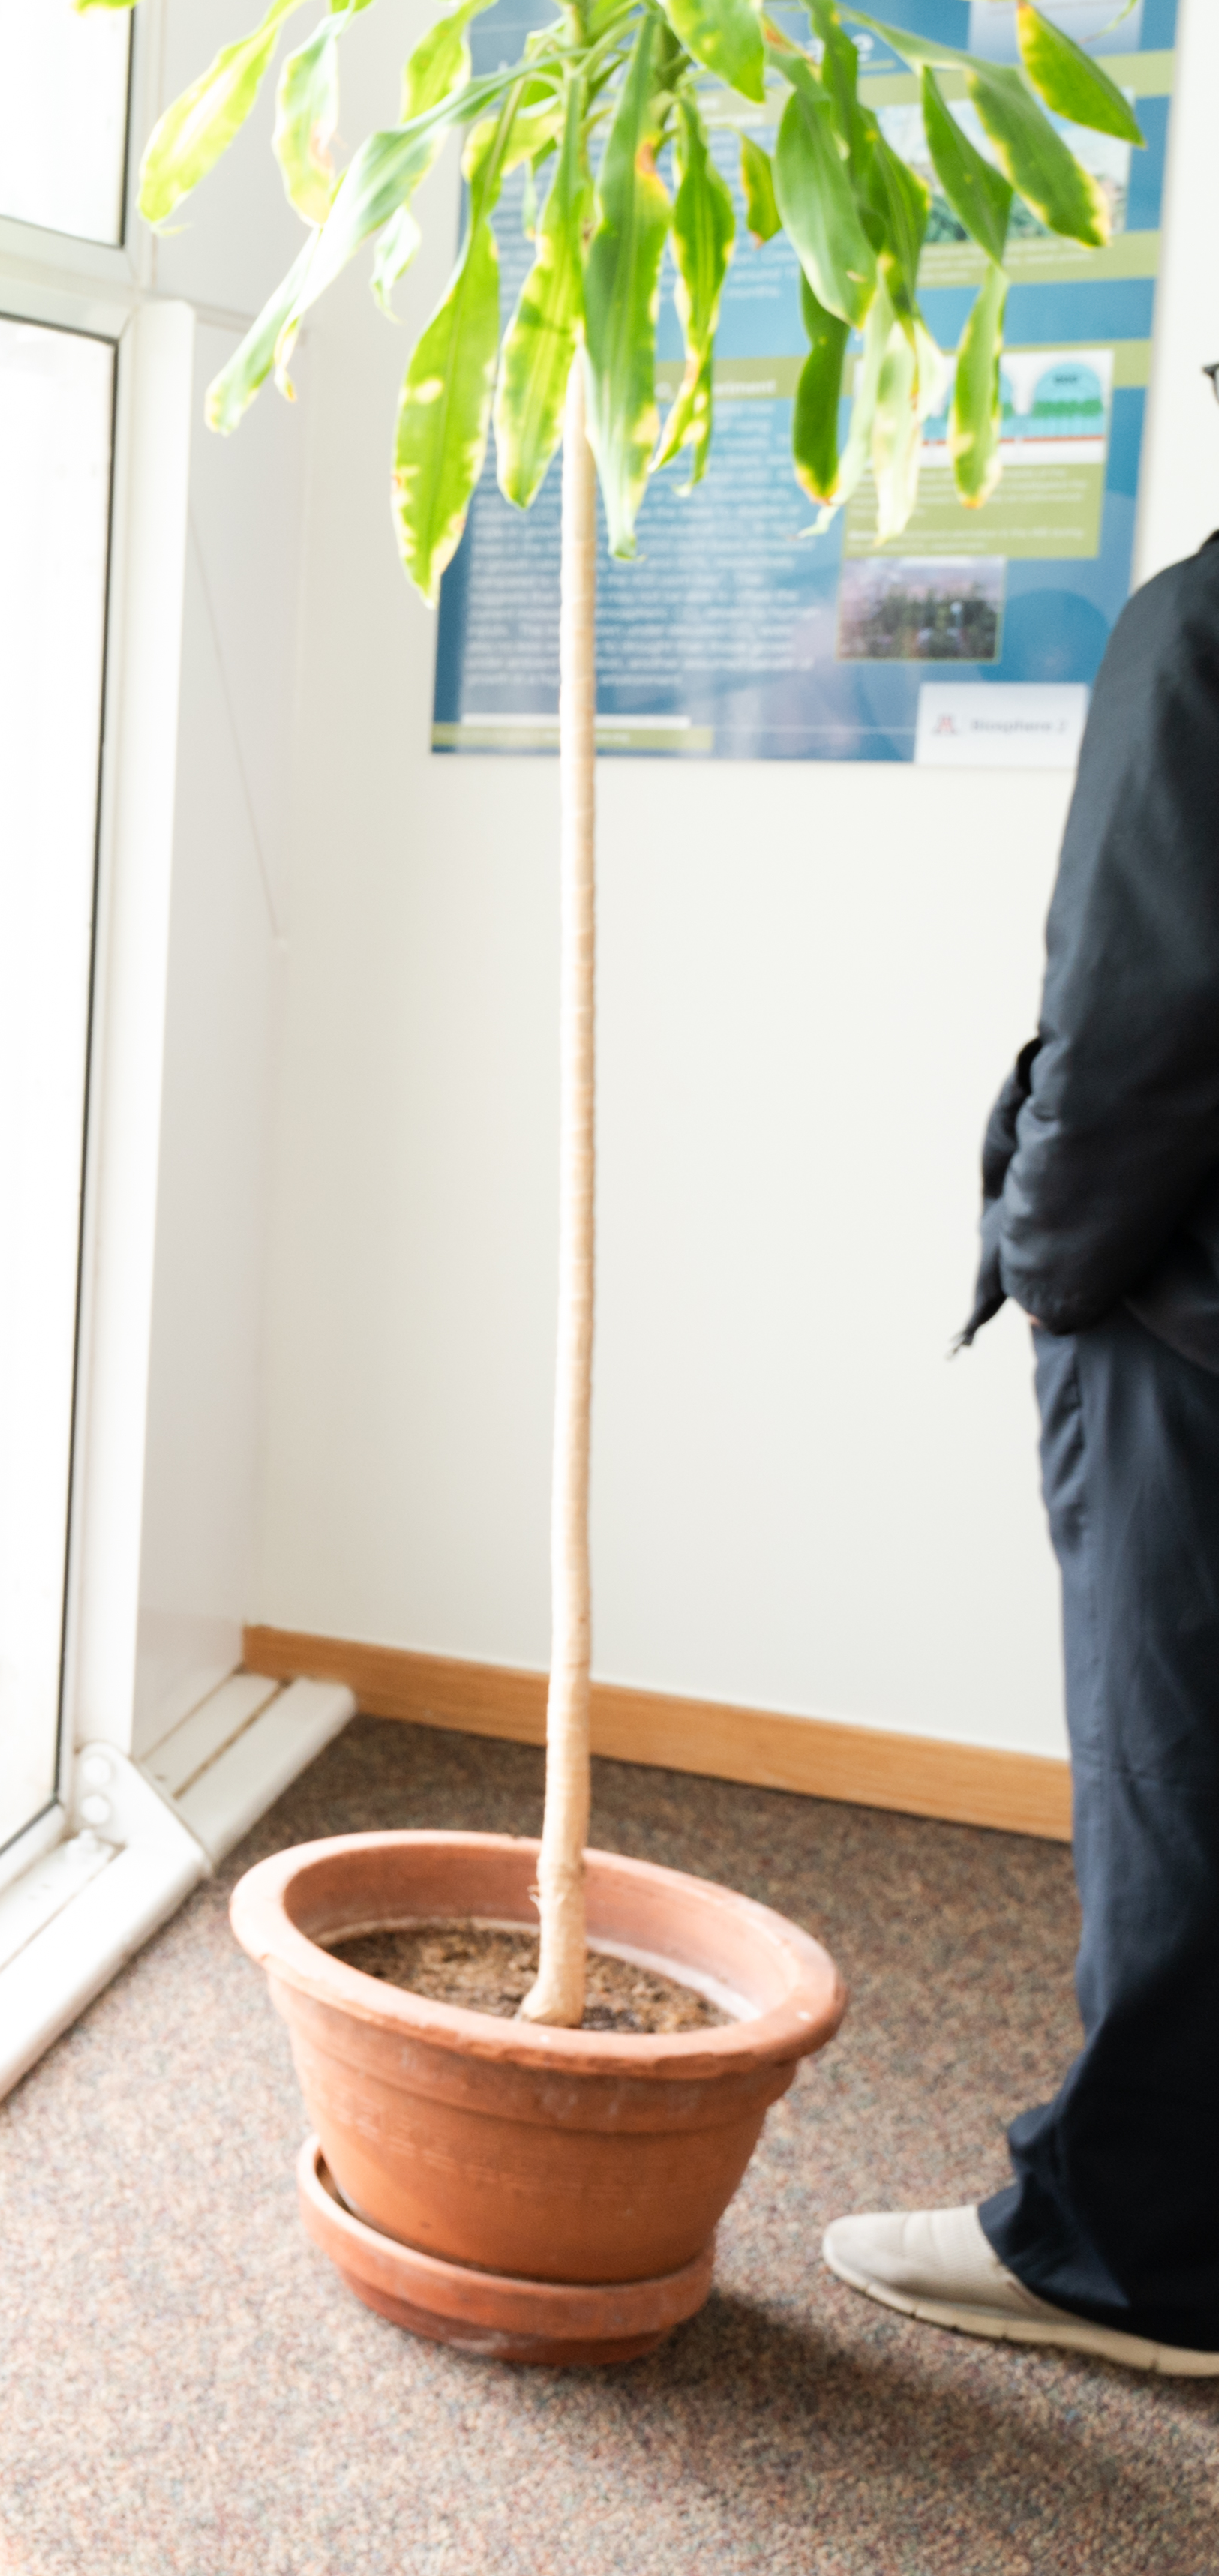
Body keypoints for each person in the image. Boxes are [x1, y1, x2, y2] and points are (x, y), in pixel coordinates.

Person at [831, 524, 1219, 2378]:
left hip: (1186, 1323)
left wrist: (1049, 1268)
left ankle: (1125, 2253)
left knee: (1177, 1779)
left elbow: (1139, 1013)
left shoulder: (1201, 626)